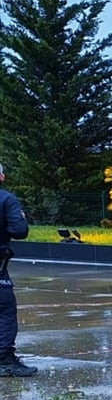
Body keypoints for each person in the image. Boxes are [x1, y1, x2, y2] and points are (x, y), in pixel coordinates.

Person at [0, 162, 34, 377]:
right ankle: (4, 358)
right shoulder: (6, 199)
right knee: (4, 309)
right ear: (2, 177)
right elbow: (19, 230)